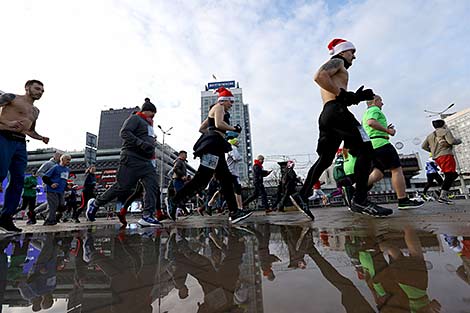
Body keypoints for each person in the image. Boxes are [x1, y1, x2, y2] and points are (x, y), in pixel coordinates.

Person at [290, 38, 393, 219]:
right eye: (352, 52)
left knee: (325, 159)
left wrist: (356, 97)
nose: (354, 56)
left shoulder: (339, 70)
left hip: (329, 113)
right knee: (366, 149)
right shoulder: (337, 62)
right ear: (342, 52)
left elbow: (341, 94)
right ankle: (360, 199)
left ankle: (302, 195)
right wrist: (345, 95)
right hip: (338, 112)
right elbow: (319, 77)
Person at [167, 87, 252, 224]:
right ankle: (175, 201)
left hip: (216, 146)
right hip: (213, 147)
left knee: (225, 180)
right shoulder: (219, 107)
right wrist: (233, 129)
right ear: (224, 100)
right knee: (202, 179)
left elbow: (202, 129)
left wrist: (213, 132)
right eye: (231, 101)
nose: (232, 104)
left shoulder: (214, 110)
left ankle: (234, 212)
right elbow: (219, 123)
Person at [86, 98, 162, 226]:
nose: (154, 117)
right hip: (131, 158)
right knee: (122, 187)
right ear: (147, 111)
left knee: (152, 186)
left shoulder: (149, 125)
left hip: (146, 162)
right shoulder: (135, 118)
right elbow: (124, 133)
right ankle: (96, 203)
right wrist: (141, 143)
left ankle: (147, 215)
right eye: (152, 113)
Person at [0, 80, 49, 232]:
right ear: (27, 88)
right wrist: (7, 122)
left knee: (18, 180)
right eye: (37, 88)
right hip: (4, 136)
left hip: (21, 143)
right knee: (0, 174)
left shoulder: (35, 111)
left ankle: (5, 218)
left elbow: (30, 130)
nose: (40, 92)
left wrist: (40, 137)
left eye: (42, 90)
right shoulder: (11, 98)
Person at [363, 95, 424, 209]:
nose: (382, 103)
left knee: (378, 174)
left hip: (371, 145)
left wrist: (384, 128)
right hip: (381, 143)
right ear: (375, 101)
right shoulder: (374, 109)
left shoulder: (365, 113)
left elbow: (369, 125)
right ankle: (403, 200)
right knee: (396, 170)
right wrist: (388, 131)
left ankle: (354, 188)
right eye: (381, 101)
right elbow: (371, 122)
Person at [422, 119, 462, 204]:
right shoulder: (445, 131)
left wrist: (433, 151)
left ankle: (442, 189)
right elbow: (451, 141)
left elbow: (423, 146)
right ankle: (443, 196)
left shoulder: (430, 135)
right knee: (450, 174)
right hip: (446, 155)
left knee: (453, 174)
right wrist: (459, 140)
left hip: (437, 158)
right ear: (443, 124)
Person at [41, 154, 72, 225]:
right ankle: (49, 221)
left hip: (61, 191)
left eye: (70, 160)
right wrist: (51, 184)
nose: (69, 161)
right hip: (52, 190)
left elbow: (63, 180)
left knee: (61, 205)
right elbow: (45, 177)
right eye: (67, 159)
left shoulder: (67, 170)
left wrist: (67, 186)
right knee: (53, 205)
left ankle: (45, 214)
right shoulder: (55, 167)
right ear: (62, 160)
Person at [34, 150, 63, 219]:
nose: (61, 158)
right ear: (55, 156)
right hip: (49, 185)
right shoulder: (48, 163)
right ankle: (45, 216)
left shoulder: (60, 165)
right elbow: (39, 172)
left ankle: (35, 212)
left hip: (57, 186)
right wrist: (49, 180)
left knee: (54, 202)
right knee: (54, 203)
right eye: (60, 156)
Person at [226, 137, 244, 210]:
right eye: (237, 141)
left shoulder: (227, 148)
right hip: (232, 173)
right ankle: (240, 208)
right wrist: (241, 157)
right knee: (237, 189)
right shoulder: (233, 148)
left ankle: (209, 203)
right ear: (233, 142)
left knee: (223, 190)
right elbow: (236, 158)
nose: (238, 143)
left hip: (230, 172)